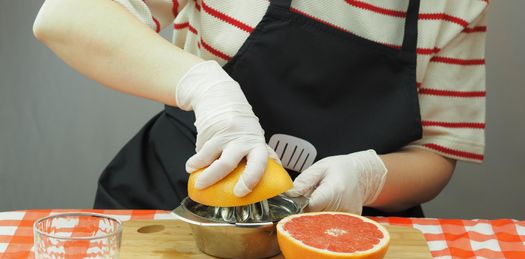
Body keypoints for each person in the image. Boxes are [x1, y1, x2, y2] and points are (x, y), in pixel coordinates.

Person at [33, 0, 487, 217]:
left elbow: (439, 153)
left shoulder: (455, 5)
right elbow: (65, 16)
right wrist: (204, 85)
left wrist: (368, 178)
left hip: (335, 237)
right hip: (168, 204)